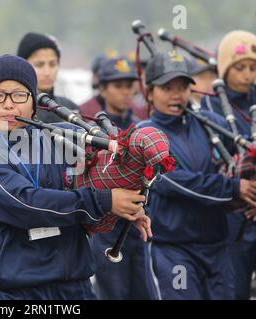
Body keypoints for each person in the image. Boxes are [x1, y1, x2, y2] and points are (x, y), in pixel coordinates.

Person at [0, 54, 151, 300]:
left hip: (75, 284)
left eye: (20, 95)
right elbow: (28, 204)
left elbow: (103, 172)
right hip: (19, 289)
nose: (9, 105)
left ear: (34, 101)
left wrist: (129, 203)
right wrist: (105, 201)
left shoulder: (62, 138)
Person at [138, 50, 256, 300]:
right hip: (174, 251)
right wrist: (235, 188)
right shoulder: (144, 135)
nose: (176, 95)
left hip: (217, 247)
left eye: (183, 86)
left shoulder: (210, 123)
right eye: (167, 87)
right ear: (149, 92)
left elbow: (245, 155)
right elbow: (174, 181)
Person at [86, 57, 151, 300]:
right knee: (115, 293)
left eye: (129, 84)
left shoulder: (141, 127)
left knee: (144, 292)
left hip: (137, 221)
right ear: (102, 89)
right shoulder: (93, 132)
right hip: (106, 225)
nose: (126, 91)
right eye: (118, 85)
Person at [201, 30, 256, 300]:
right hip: (233, 211)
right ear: (224, 69)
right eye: (240, 68)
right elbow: (214, 161)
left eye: (253, 68)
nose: (247, 75)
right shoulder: (210, 107)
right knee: (235, 288)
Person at [17, 32, 79, 123]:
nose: (47, 72)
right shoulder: (14, 110)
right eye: (39, 65)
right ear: (22, 66)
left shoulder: (70, 108)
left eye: (52, 64)